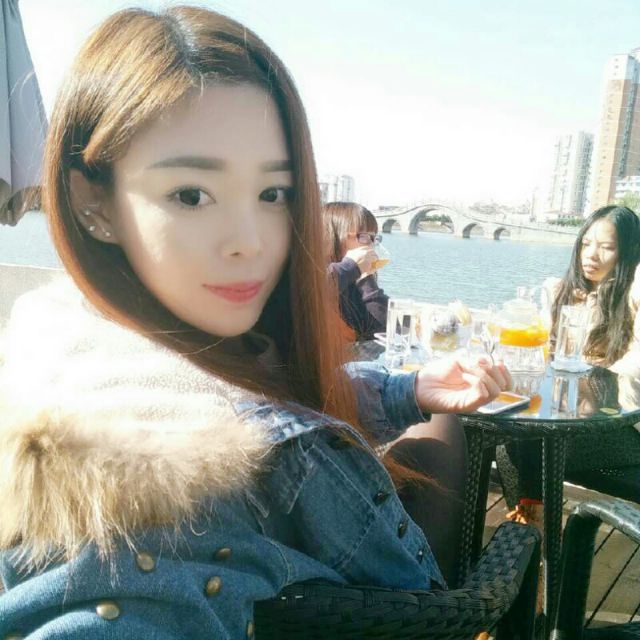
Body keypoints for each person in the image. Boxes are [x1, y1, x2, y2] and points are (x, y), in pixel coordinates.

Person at [0, 7, 511, 638]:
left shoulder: (116, 335)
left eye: (273, 194)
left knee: (440, 419)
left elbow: (266, 402)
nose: (251, 242)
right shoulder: (140, 484)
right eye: (191, 195)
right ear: (92, 201)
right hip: (397, 604)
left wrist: (407, 390)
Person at [497, 205, 640, 524]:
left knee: (531, 444)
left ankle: (533, 533)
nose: (591, 255)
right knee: (509, 441)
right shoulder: (566, 293)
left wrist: (593, 379)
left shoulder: (633, 294)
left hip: (626, 429)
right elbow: (543, 351)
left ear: (628, 252)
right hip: (573, 421)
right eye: (586, 244)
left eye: (607, 247)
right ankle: (529, 530)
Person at [324, 201, 388, 340]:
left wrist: (366, 277)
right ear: (334, 236)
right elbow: (312, 291)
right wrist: (351, 266)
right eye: (364, 236)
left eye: (374, 238)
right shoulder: (314, 272)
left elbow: (384, 332)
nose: (371, 244)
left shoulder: (354, 279)